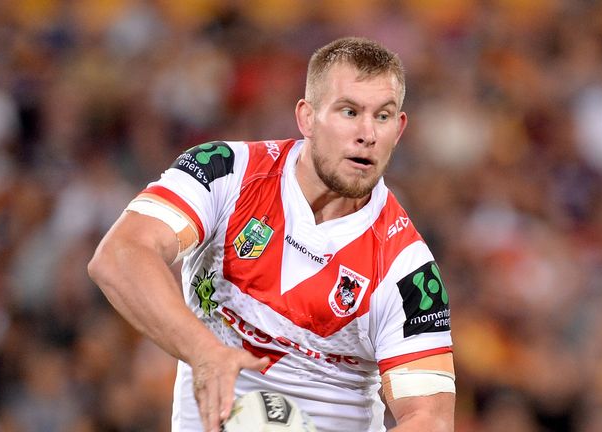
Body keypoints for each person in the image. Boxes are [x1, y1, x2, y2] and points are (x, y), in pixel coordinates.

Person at [88, 36, 455, 432]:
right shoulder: (224, 172)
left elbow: (430, 419)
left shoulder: (408, 272)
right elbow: (119, 255)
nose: (367, 133)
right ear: (307, 117)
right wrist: (205, 353)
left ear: (398, 129)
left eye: (382, 116)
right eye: (350, 111)